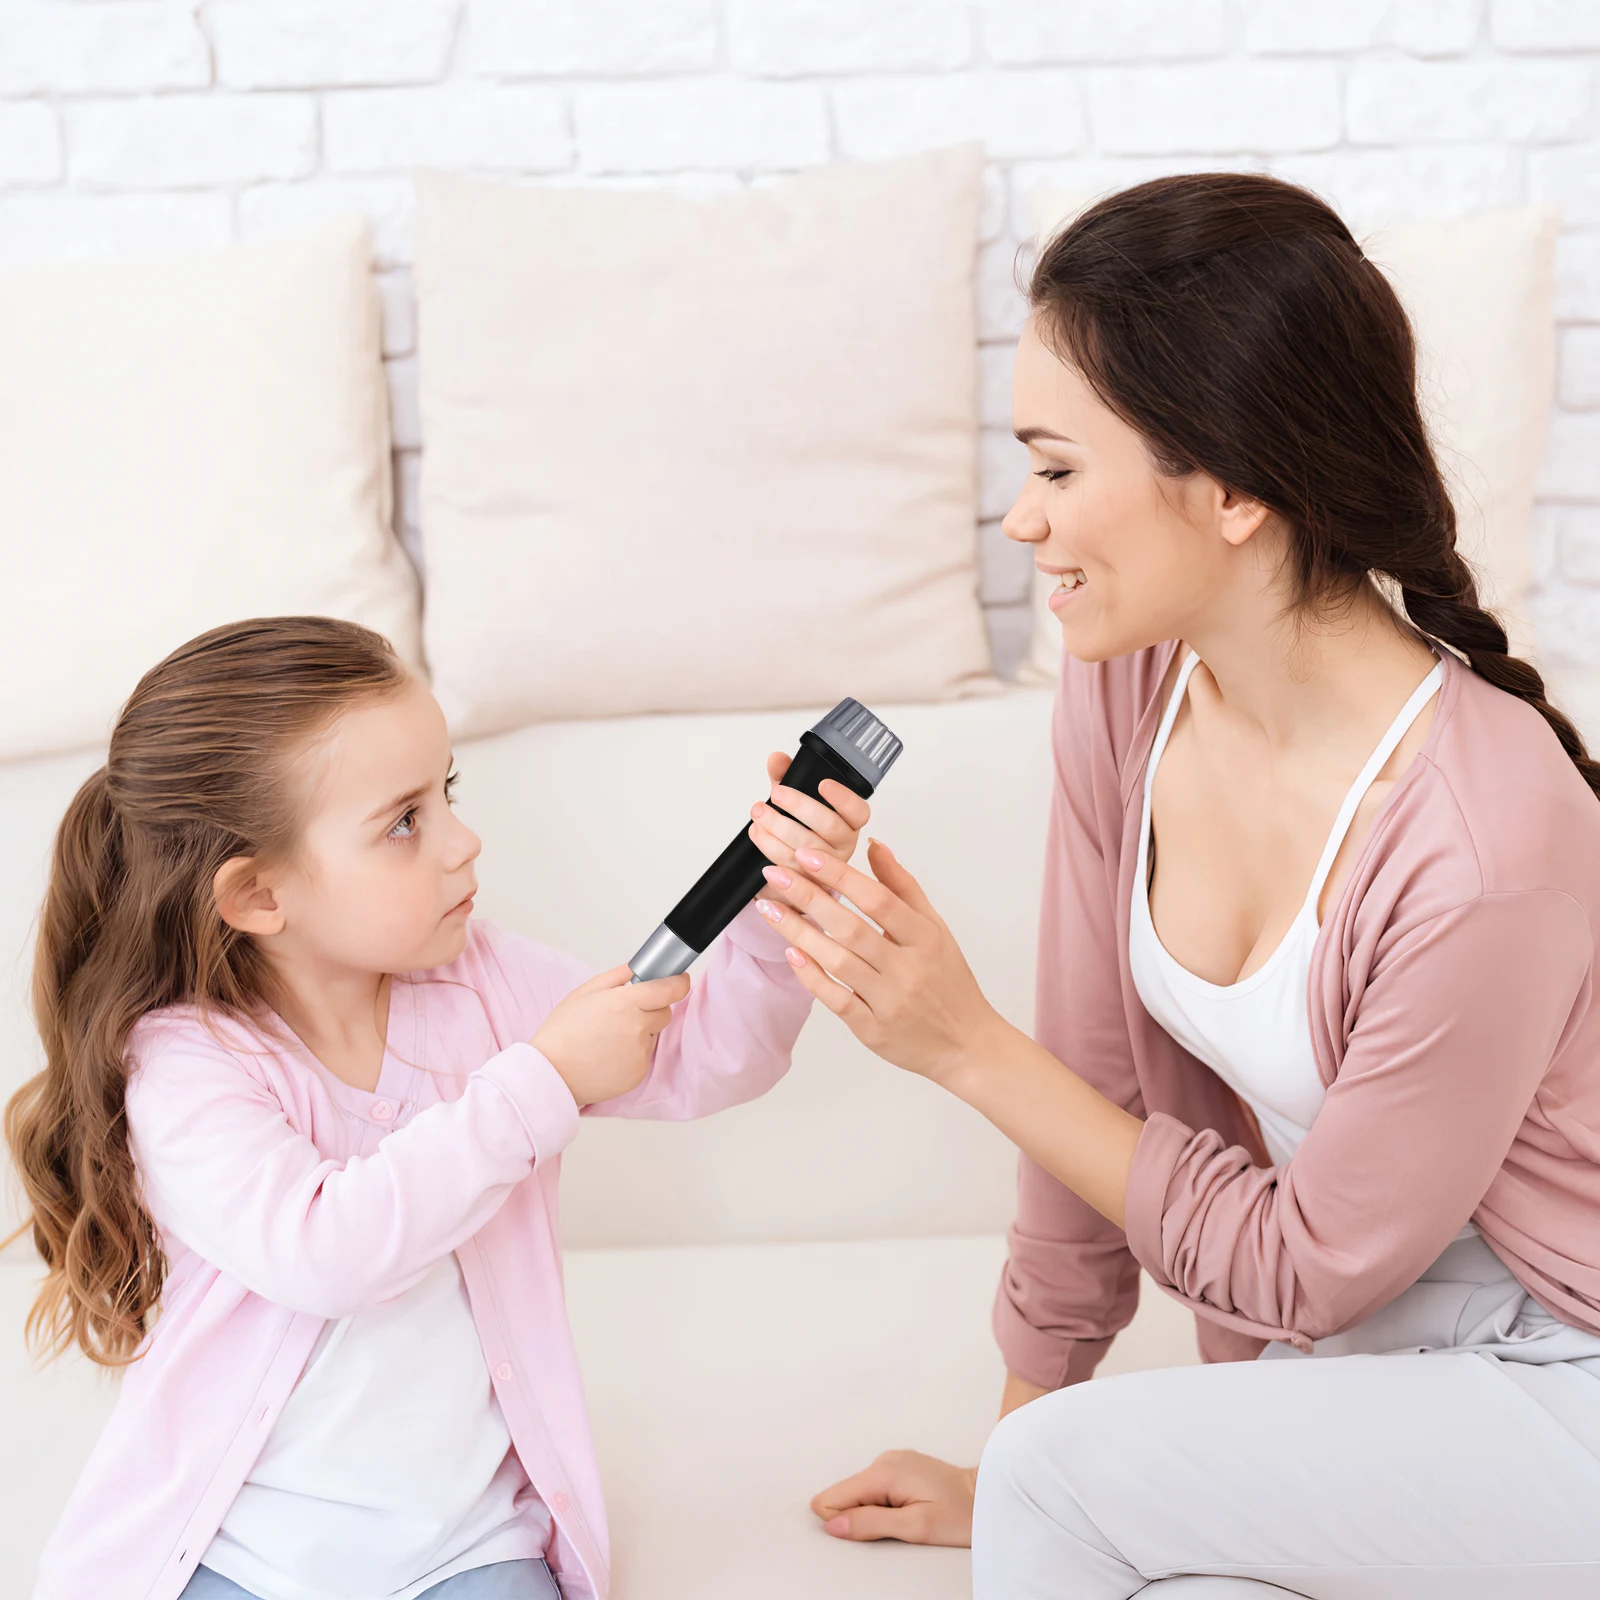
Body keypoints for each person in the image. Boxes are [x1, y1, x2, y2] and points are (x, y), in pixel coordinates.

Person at [758, 173, 1600, 1596]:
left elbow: (1309, 1263)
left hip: (1560, 1375)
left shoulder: (1483, 838)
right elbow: (1096, 1088)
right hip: (1371, 1359)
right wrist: (1020, 1451)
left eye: (1058, 466)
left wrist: (959, 1045)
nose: (1022, 522)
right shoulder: (1130, 689)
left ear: (1232, 490)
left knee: (1076, 1496)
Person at [4, 615, 869, 1600]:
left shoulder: (482, 981)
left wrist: (771, 906)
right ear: (255, 894)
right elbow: (327, 1250)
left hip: (465, 1551)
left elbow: (713, 1056)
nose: (464, 841)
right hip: (240, 1559)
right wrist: (544, 1079)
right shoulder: (186, 1064)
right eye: (404, 820)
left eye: (445, 793)